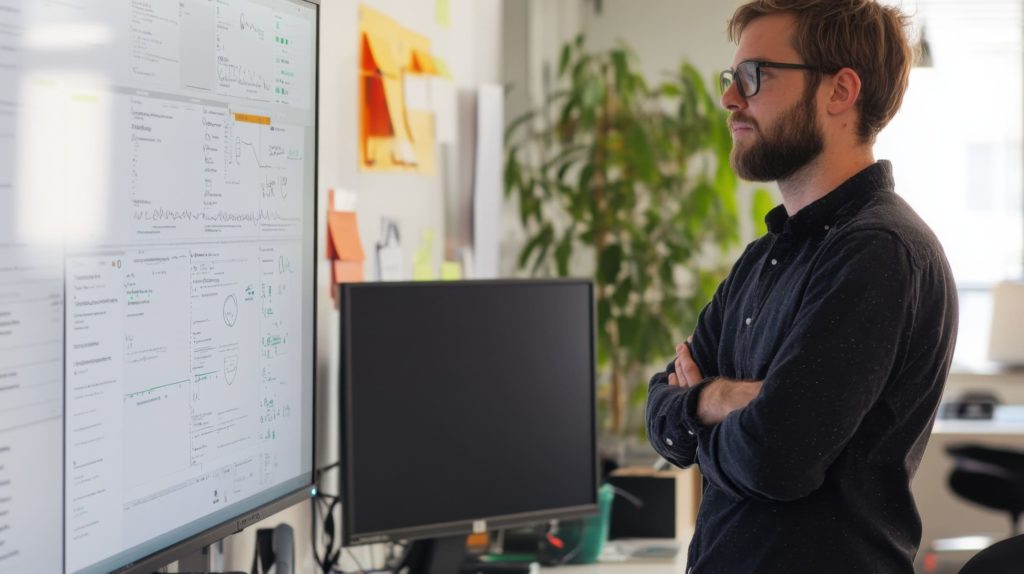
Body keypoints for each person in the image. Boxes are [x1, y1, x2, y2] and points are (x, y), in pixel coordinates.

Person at [645, 1, 959, 573]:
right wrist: (716, 399)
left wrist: (697, 415)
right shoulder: (764, 257)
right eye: (731, 77)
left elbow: (776, 461)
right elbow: (659, 412)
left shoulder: (879, 252)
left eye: (754, 76)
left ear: (839, 91)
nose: (729, 99)